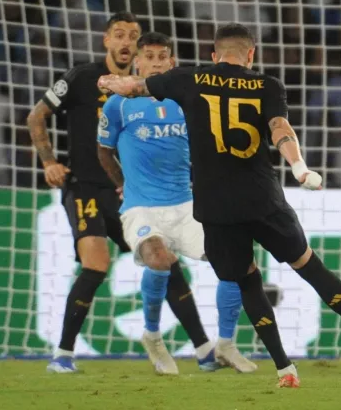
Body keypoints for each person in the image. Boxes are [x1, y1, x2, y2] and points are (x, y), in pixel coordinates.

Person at [96, 23, 341, 388]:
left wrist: (110, 82)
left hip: (215, 209)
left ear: (214, 56)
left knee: (246, 280)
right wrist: (299, 167)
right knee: (310, 267)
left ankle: (284, 369)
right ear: (251, 55)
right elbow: (280, 127)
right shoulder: (267, 85)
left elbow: (131, 87)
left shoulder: (189, 79)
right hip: (262, 199)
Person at [97, 31, 255, 374]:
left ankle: (225, 344)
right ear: (137, 61)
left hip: (187, 206)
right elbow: (103, 150)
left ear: (172, 63)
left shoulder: (187, 100)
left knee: (231, 261)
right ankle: (152, 336)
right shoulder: (119, 104)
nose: (155, 62)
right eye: (148, 56)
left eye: (162, 57)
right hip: (141, 207)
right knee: (159, 258)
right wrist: (122, 185)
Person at [27, 12, 140, 373]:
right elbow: (36, 116)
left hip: (129, 192)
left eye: (133, 37)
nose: (126, 42)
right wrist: (49, 162)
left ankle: (200, 350)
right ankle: (62, 354)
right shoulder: (81, 77)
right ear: (106, 40)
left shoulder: (144, 88)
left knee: (161, 261)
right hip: (85, 188)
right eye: (119, 35)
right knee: (96, 263)